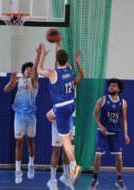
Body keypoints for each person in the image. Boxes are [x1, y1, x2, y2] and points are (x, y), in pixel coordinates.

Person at [37, 43, 82, 190]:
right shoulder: (69, 69)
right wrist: (58, 44)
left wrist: (43, 54)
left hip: (62, 109)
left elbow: (38, 70)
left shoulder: (52, 73)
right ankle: (58, 177)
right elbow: (61, 57)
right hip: (70, 106)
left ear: (56, 60)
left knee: (65, 142)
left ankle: (74, 168)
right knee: (48, 115)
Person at [4, 43, 42, 184]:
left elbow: (36, 68)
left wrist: (38, 54)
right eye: (26, 69)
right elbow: (6, 90)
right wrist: (10, 82)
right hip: (19, 116)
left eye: (30, 69)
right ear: (23, 72)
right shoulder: (19, 81)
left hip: (31, 116)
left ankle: (31, 165)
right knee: (19, 142)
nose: (28, 71)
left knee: (30, 141)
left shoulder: (34, 82)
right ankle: (18, 170)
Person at [89, 78, 129, 190]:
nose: (111, 87)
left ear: (118, 89)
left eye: (114, 85)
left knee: (119, 157)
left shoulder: (123, 103)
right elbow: (94, 115)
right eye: (110, 85)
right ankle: (94, 178)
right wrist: (101, 126)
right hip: (102, 132)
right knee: (98, 155)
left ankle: (119, 179)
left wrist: (126, 134)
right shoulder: (102, 100)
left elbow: (124, 119)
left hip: (115, 133)